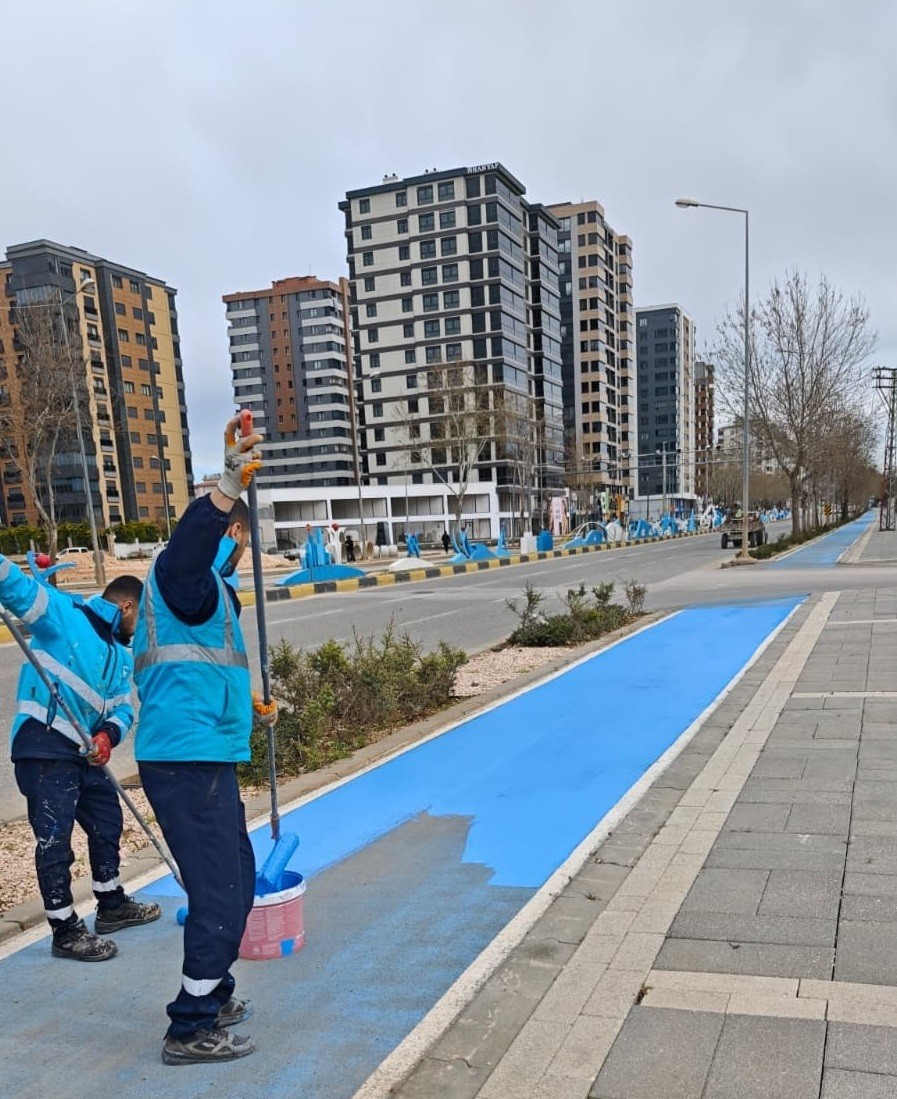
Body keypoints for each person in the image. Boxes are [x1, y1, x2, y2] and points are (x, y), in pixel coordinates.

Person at [134, 414, 275, 1066]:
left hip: (205, 754)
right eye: (236, 534)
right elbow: (189, 546)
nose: (238, 546)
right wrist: (222, 490)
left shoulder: (210, 591)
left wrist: (250, 708)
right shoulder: (181, 574)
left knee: (235, 879)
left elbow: (199, 669)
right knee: (218, 894)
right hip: (186, 760)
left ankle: (213, 993)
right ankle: (188, 1027)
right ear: (231, 532)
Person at [1, 558, 160, 962]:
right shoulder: (62, 616)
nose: (140, 630)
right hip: (44, 742)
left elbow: (125, 709)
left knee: (108, 820)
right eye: (140, 618)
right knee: (55, 838)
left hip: (85, 752)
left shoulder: (119, 655)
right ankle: (65, 930)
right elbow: (18, 590)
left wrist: (108, 734)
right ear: (126, 606)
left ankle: (111, 904)